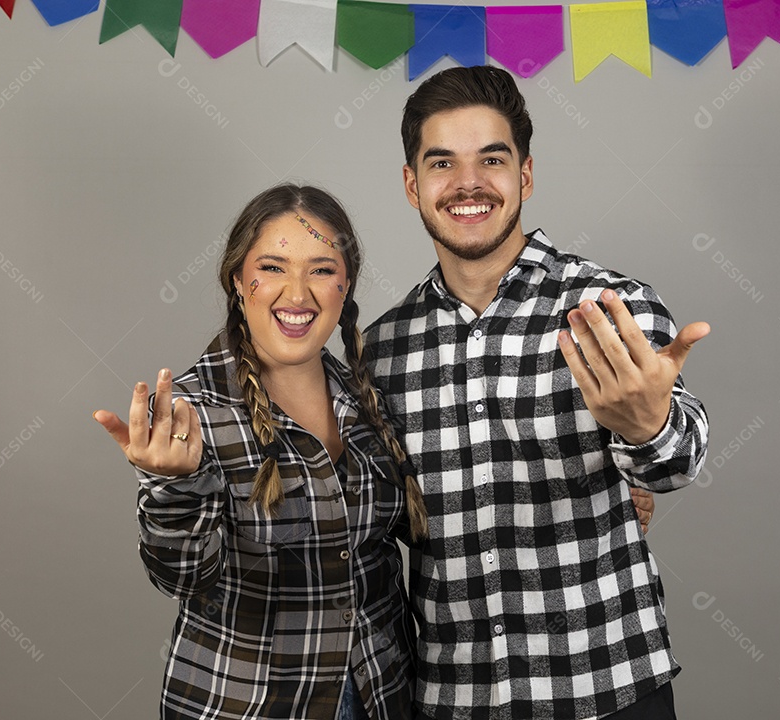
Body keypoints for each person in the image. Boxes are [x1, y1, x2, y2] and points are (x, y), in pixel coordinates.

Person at [363, 66, 710, 720]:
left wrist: (647, 427)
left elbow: (679, 462)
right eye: (442, 163)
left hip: (608, 688)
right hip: (453, 700)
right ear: (413, 186)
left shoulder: (610, 308)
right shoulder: (380, 353)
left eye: (491, 160)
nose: (467, 183)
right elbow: (376, 529)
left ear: (524, 175)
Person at [94, 184, 427, 720]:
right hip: (248, 705)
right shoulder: (191, 413)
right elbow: (180, 578)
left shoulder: (367, 399)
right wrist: (173, 487)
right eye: (272, 267)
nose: (297, 294)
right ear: (237, 280)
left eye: (321, 269)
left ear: (346, 285)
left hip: (381, 696)